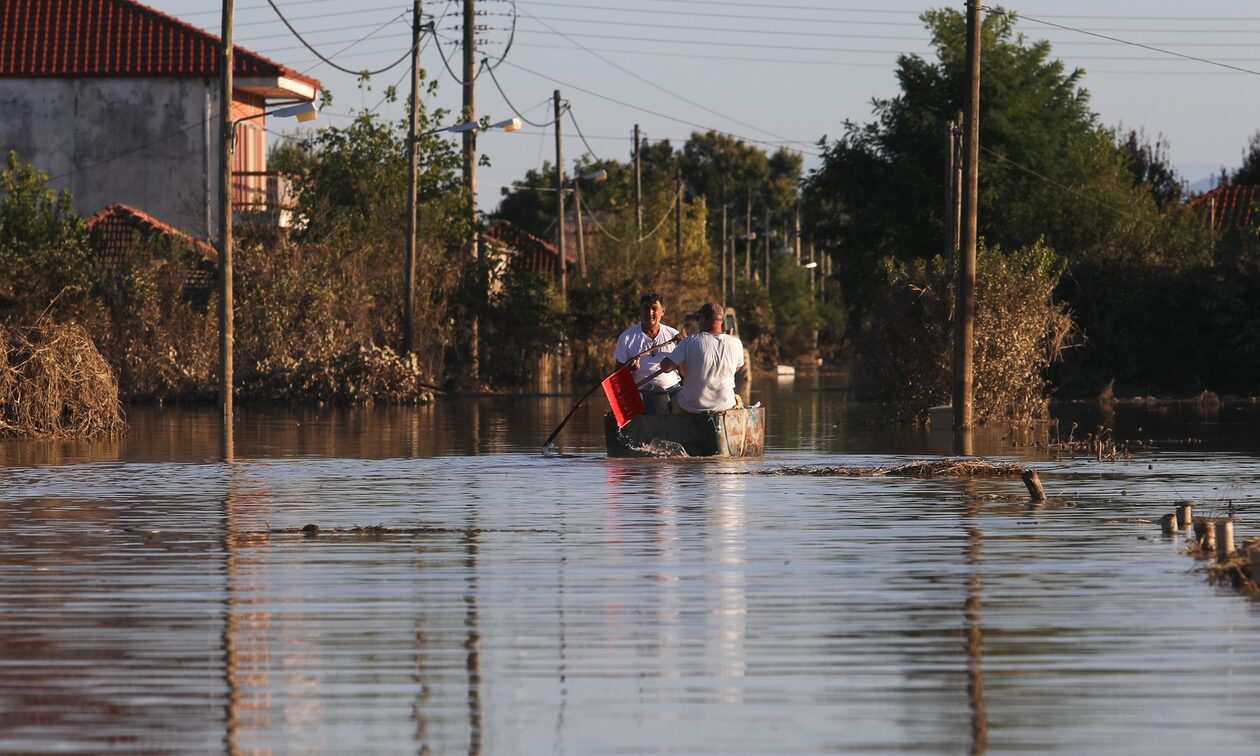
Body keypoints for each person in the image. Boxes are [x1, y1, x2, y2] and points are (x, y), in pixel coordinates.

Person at [660, 301, 745, 413]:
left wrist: (680, 348)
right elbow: (737, 368)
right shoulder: (736, 343)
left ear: (703, 319)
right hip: (725, 406)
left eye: (698, 319)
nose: (698, 322)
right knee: (737, 399)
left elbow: (665, 367)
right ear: (722, 321)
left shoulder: (688, 342)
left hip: (691, 408)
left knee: (672, 395)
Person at [613, 292, 683, 414]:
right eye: (646, 308)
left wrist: (684, 346)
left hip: (673, 390)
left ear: (663, 312)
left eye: (654, 309)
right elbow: (617, 377)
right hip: (641, 393)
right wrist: (629, 369)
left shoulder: (674, 335)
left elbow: (685, 372)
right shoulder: (627, 337)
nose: (649, 313)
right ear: (640, 311)